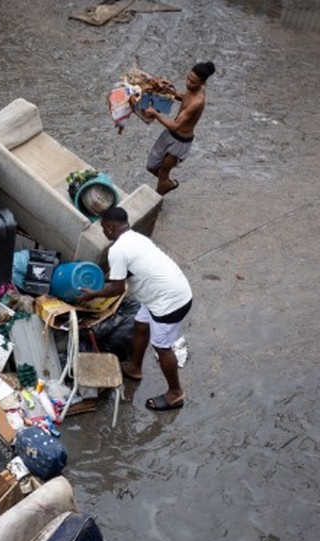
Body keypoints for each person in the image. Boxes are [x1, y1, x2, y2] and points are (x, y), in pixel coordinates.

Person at [79, 206, 192, 410]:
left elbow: (117, 288)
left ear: (112, 227)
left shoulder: (118, 250)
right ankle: (135, 368)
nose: (104, 232)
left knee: (162, 347)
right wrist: (100, 279)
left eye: (104, 227)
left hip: (169, 303)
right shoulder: (136, 238)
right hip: (165, 292)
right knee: (140, 325)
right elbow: (124, 273)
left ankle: (175, 393)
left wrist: (93, 294)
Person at [142, 61, 215, 195]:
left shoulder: (197, 101)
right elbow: (184, 97)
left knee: (164, 170)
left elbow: (175, 125)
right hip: (169, 134)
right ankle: (166, 182)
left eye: (193, 82)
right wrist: (169, 91)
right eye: (188, 78)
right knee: (151, 166)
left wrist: (155, 114)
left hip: (180, 141)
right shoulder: (192, 88)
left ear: (202, 84)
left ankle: (159, 194)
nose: (188, 83)